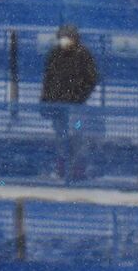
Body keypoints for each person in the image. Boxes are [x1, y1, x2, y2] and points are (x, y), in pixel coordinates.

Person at [41, 23, 98, 180]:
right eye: (63, 38)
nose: (65, 41)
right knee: (61, 136)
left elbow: (91, 79)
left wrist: (79, 96)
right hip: (57, 107)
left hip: (77, 108)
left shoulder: (84, 55)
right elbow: (48, 80)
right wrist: (45, 102)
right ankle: (62, 171)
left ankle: (78, 171)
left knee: (77, 134)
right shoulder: (54, 55)